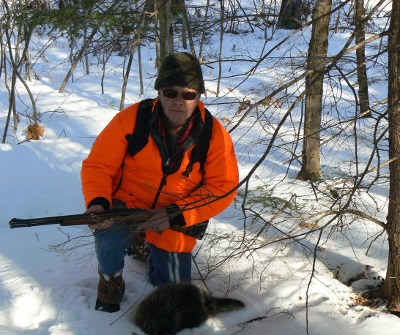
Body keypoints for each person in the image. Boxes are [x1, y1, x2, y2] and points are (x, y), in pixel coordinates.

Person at [81, 52, 239, 313]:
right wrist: (98, 202)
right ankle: (110, 280)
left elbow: (223, 187)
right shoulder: (132, 120)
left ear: (199, 95)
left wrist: (175, 214)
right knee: (107, 231)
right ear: (159, 93)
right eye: (170, 92)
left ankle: (146, 244)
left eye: (188, 94)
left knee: (174, 296)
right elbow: (99, 165)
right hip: (127, 202)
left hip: (173, 210)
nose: (179, 101)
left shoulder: (213, 134)